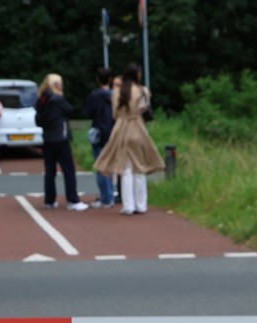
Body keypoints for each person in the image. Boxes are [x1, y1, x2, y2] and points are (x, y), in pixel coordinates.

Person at [97, 63, 164, 215]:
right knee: (139, 168)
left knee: (125, 169)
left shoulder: (117, 91)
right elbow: (145, 108)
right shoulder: (142, 90)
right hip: (138, 128)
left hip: (121, 129)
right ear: (137, 75)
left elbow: (114, 113)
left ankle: (128, 205)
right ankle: (141, 205)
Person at [34, 73, 85, 210]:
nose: (62, 85)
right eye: (60, 83)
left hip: (48, 138)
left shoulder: (42, 99)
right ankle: (73, 200)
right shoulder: (58, 99)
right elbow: (70, 110)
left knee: (50, 171)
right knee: (68, 170)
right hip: (61, 138)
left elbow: (38, 120)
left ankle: (49, 200)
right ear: (56, 85)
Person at [83, 66, 116, 208]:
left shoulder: (94, 96)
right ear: (110, 79)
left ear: (97, 79)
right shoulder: (115, 95)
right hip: (113, 133)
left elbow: (87, 112)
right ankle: (111, 195)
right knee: (111, 166)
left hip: (99, 133)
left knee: (100, 165)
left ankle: (105, 198)